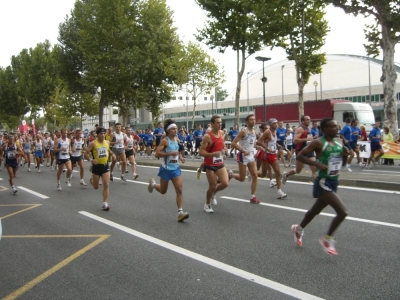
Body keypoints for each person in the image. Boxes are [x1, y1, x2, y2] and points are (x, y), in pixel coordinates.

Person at [291, 118, 349, 256]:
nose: (337, 128)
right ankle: (327, 239)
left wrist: (346, 156)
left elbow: (343, 164)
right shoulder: (318, 142)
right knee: (342, 212)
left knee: (315, 210)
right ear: (325, 129)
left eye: (337, 126)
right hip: (323, 182)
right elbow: (300, 156)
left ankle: (298, 229)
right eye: (333, 127)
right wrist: (317, 165)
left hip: (334, 181)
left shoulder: (338, 142)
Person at [147, 119, 189, 222]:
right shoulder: (165, 141)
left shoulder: (177, 139)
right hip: (166, 169)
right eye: (173, 129)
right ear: (168, 130)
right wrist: (169, 154)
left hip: (175, 169)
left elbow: (176, 152)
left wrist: (181, 158)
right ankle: (153, 184)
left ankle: (180, 213)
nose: (176, 130)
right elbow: (157, 154)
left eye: (176, 129)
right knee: (163, 191)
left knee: (179, 189)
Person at [199, 115, 230, 213]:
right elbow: (201, 152)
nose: (220, 124)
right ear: (212, 124)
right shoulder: (207, 137)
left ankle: (214, 193)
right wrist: (213, 154)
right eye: (217, 122)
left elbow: (222, 144)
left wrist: (224, 150)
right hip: (210, 164)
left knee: (225, 183)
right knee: (212, 185)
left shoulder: (221, 133)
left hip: (219, 162)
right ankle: (207, 204)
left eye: (221, 122)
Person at [230, 114, 261, 203]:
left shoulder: (255, 132)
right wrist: (243, 151)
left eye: (254, 119)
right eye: (251, 119)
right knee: (242, 178)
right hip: (243, 156)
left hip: (251, 156)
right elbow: (233, 143)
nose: (253, 121)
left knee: (255, 176)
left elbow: (252, 144)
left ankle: (252, 196)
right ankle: (231, 175)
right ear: (247, 121)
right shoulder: (244, 131)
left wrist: (257, 147)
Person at [85, 127, 116, 211]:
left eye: (103, 133)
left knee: (106, 185)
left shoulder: (107, 142)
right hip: (96, 167)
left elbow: (108, 149)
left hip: (105, 166)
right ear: (97, 135)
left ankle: (105, 203)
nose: (102, 135)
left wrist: (112, 154)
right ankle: (92, 180)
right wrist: (91, 160)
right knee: (96, 187)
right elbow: (86, 153)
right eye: (100, 134)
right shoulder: (93, 143)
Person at [256, 118, 287, 199]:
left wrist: (277, 145)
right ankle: (252, 172)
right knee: (263, 174)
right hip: (266, 155)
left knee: (278, 173)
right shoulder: (267, 132)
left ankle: (279, 192)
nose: (276, 124)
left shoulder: (275, 132)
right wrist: (267, 148)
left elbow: (272, 141)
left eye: (276, 123)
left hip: (273, 155)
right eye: (274, 123)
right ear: (270, 124)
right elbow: (258, 141)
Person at [282, 115, 316, 184]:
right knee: (298, 170)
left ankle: (317, 188)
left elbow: (310, 139)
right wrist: (307, 139)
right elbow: (295, 140)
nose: (309, 120)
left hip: (309, 150)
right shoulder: (300, 129)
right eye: (307, 119)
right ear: (303, 121)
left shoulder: (309, 129)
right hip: (301, 151)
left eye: (309, 119)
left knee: (314, 168)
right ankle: (286, 175)